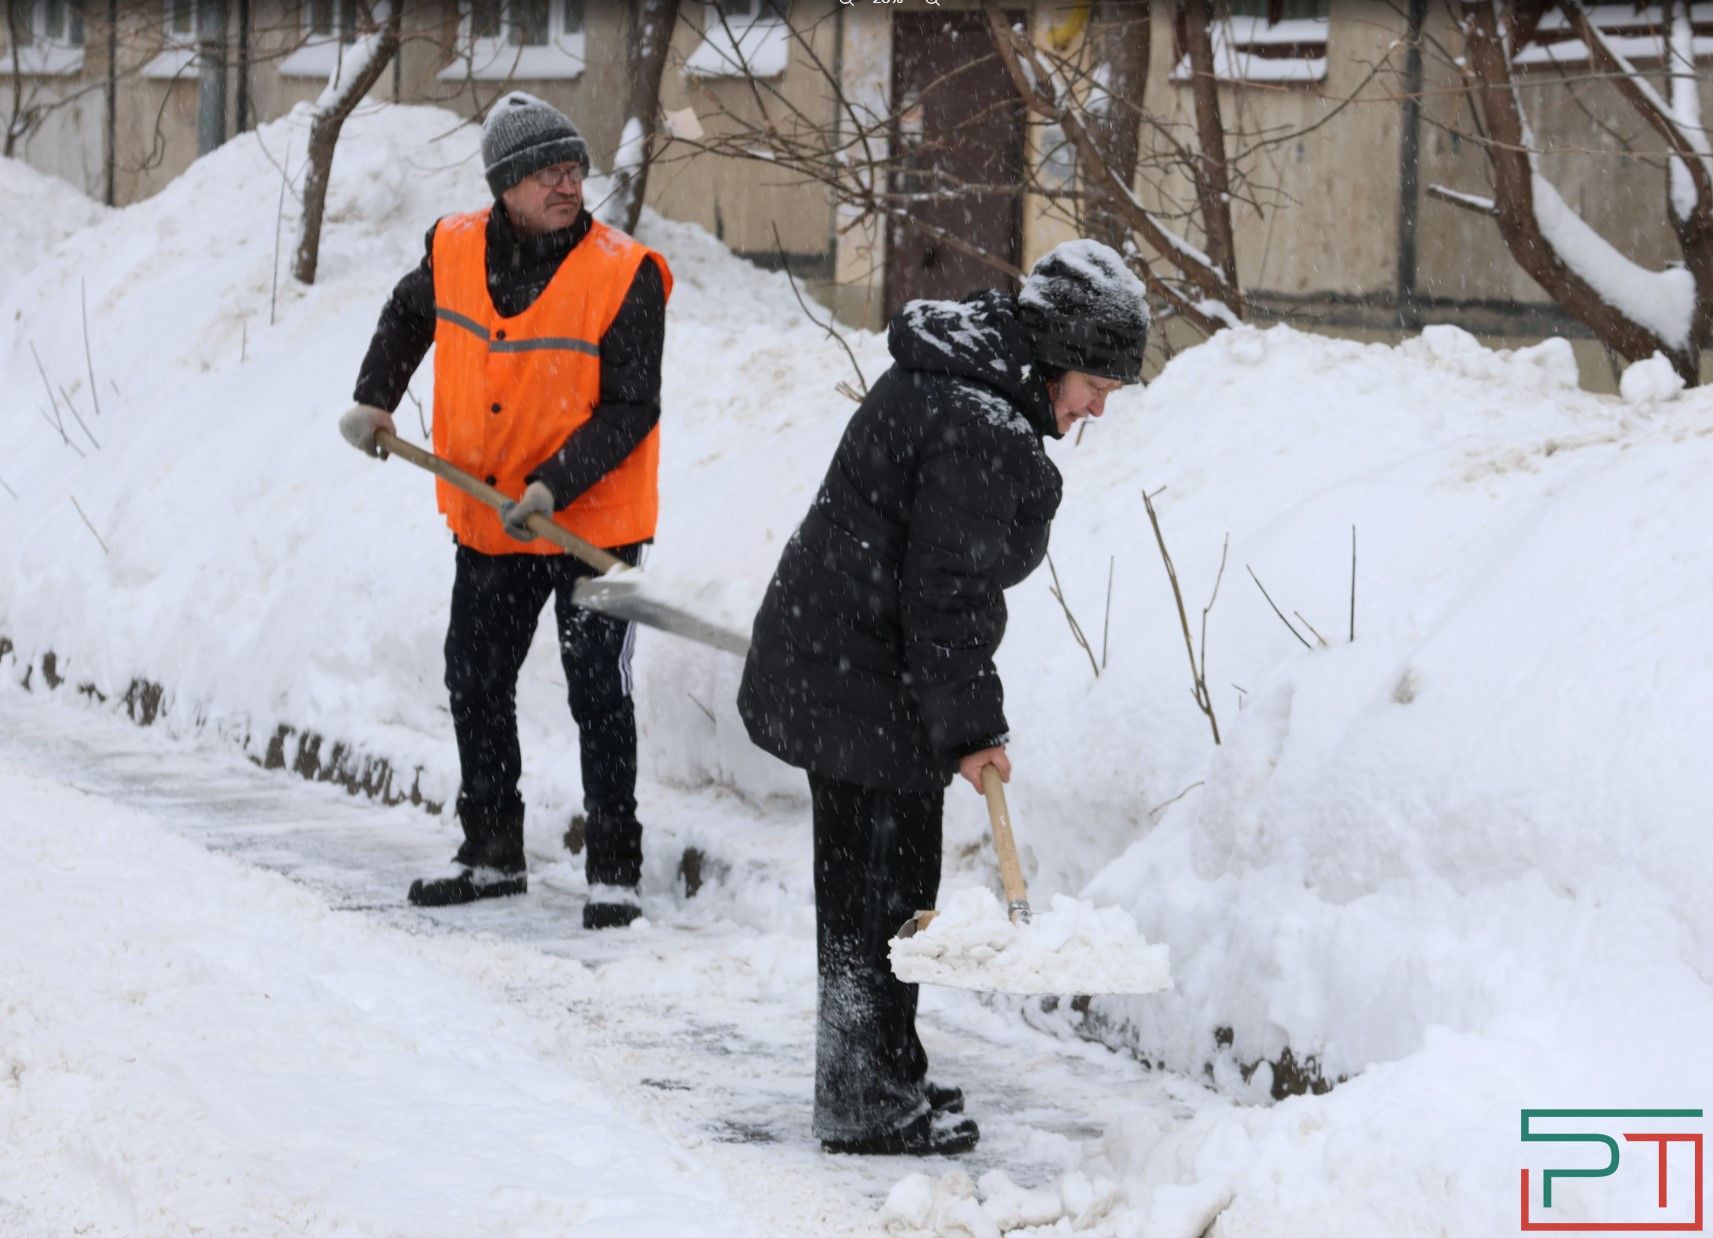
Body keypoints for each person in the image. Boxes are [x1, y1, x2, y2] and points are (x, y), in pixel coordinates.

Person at [738, 239, 1149, 1156]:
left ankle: (886, 1065)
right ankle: (862, 1099)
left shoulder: (966, 384)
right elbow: (948, 594)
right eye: (1094, 385)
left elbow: (943, 579)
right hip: (857, 681)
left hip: (855, 669)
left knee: (893, 892)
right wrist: (973, 729)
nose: (1092, 409)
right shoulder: (976, 420)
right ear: (1053, 354)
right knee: (873, 899)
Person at [338, 92, 671, 928]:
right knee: (475, 678)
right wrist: (375, 398)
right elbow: (409, 312)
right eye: (548, 172)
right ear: (505, 183)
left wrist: (554, 484)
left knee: (598, 692)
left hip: (598, 526)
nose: (569, 185)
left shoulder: (624, 271)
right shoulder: (453, 250)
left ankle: (615, 875)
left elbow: (632, 408)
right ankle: (490, 854)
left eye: (575, 170)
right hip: (492, 517)